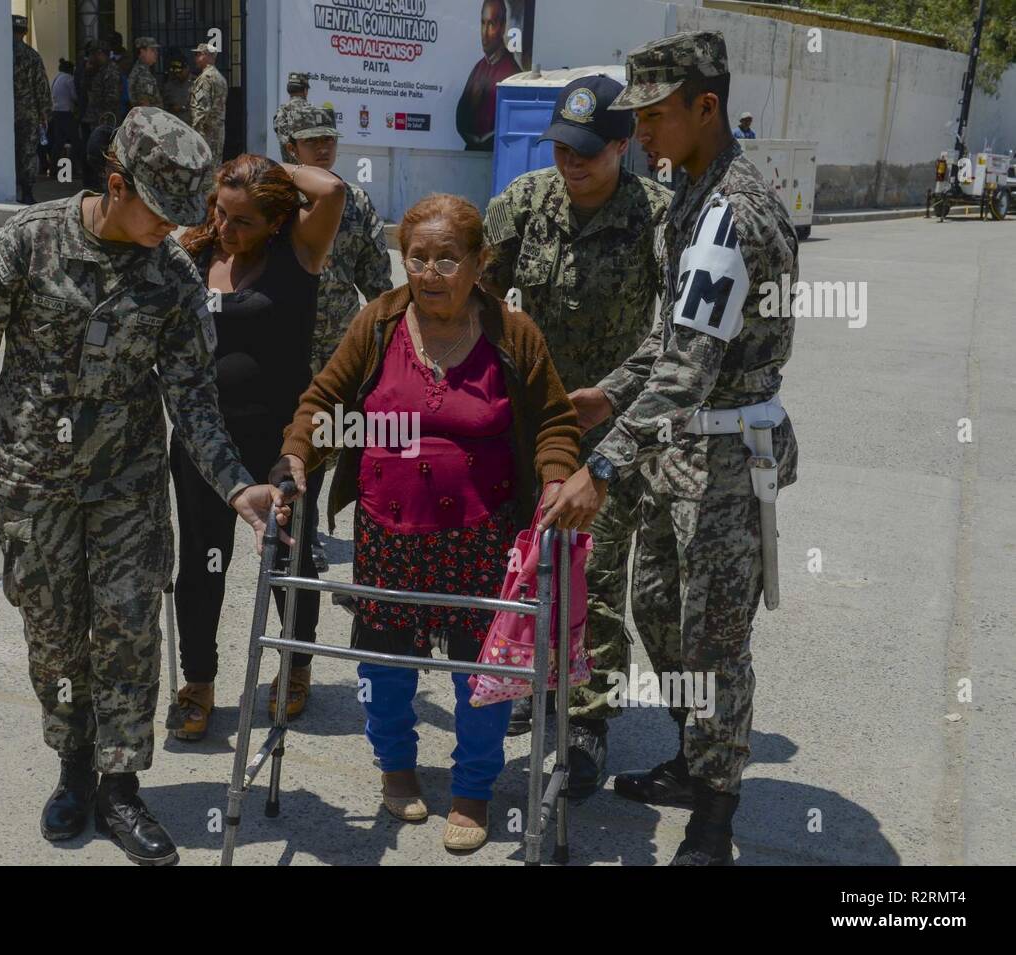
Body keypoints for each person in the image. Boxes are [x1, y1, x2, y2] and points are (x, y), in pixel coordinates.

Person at [0, 107, 290, 867]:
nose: (171, 229)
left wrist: (236, 487)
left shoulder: (173, 277)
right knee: (56, 635)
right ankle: (72, 768)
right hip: (32, 481)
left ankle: (121, 785)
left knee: (128, 631)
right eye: (158, 212)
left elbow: (193, 400)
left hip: (127, 484)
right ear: (116, 182)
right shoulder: (25, 243)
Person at [541, 31, 800, 865]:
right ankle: (696, 756)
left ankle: (714, 819)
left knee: (716, 640)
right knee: (658, 607)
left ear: (706, 107)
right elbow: (669, 335)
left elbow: (688, 371)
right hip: (679, 453)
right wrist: (608, 392)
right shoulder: (691, 185)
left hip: (723, 460)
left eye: (654, 116)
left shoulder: (729, 210)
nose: (640, 132)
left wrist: (602, 465)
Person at [272, 193, 580, 853]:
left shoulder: (513, 331)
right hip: (388, 530)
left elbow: (554, 419)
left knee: (481, 670)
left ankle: (473, 787)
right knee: (386, 662)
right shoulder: (377, 323)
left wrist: (557, 477)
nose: (431, 271)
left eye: (447, 257)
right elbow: (324, 396)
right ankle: (397, 767)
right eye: (417, 257)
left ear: (479, 263)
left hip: (482, 533)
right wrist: (298, 453)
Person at [482, 74, 670, 796]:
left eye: (588, 150)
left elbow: (677, 333)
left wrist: (615, 393)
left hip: (610, 427)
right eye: (562, 146)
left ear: (624, 145)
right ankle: (529, 680)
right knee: (519, 558)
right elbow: (470, 280)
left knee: (589, 569)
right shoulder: (526, 202)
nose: (571, 161)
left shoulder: (657, 214)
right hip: (523, 419)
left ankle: (587, 717)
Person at [167, 154, 345, 741]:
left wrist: (269, 169)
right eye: (220, 212)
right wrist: (233, 181)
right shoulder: (192, 255)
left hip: (283, 442)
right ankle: (198, 681)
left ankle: (294, 668)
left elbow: (333, 190)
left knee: (289, 559)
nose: (226, 228)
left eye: (243, 220)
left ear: (275, 220)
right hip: (201, 441)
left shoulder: (297, 256)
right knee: (200, 562)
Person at [275, 99, 393, 572]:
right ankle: (284, 526)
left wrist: (391, 335)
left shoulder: (355, 201)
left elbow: (378, 281)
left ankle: (303, 532)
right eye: (312, 140)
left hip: (335, 349)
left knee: (322, 437)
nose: (324, 147)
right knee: (282, 436)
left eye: (330, 138)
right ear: (290, 147)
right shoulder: (272, 201)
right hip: (281, 341)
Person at [455, 0, 520, 152]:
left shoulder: (512, 73)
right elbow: (461, 118)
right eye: (483, 23)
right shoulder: (479, 68)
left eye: (491, 24)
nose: (485, 32)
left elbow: (511, 123)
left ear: (503, 27)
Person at [12, 15, 51, 205]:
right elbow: (41, 87)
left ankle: (8, 189)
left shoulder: (0, 54)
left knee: (8, 151)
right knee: (27, 152)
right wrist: (44, 113)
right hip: (28, 114)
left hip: (4, 113)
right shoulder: (32, 56)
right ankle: (26, 192)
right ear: (25, 32)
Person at [82, 44, 122, 188]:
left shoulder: (110, 71)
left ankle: (101, 184)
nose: (91, 58)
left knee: (101, 153)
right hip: (94, 118)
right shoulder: (98, 70)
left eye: (93, 55)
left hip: (105, 119)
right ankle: (93, 183)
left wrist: (104, 119)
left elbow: (112, 97)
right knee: (91, 151)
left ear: (100, 53)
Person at [189, 43, 227, 177]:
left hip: (206, 133)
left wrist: (194, 133)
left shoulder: (206, 78)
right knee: (214, 168)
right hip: (217, 132)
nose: (195, 58)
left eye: (198, 54)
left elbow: (202, 110)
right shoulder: (219, 77)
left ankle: (207, 197)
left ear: (206, 56)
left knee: (204, 172)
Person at [48, 59, 80, 178]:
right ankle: (70, 171)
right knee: (76, 142)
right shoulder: (69, 79)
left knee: (58, 142)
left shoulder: (57, 77)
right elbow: (74, 96)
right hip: (66, 113)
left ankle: (53, 170)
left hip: (56, 112)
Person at [272, 71, 310, 162]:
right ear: (305, 91)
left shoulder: (282, 111)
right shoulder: (313, 111)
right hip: (310, 171)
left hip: (290, 171)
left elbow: (283, 139)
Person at [128, 37, 162, 109]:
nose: (156, 53)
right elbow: (145, 105)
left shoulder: (144, 71)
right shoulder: (142, 74)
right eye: (152, 50)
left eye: (156, 50)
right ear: (142, 52)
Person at [161, 55, 192, 122]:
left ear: (187, 68)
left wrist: (183, 108)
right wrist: (171, 108)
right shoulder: (170, 85)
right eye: (176, 73)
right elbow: (163, 104)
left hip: (191, 126)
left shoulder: (196, 83)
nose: (178, 75)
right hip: (174, 124)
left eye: (180, 72)